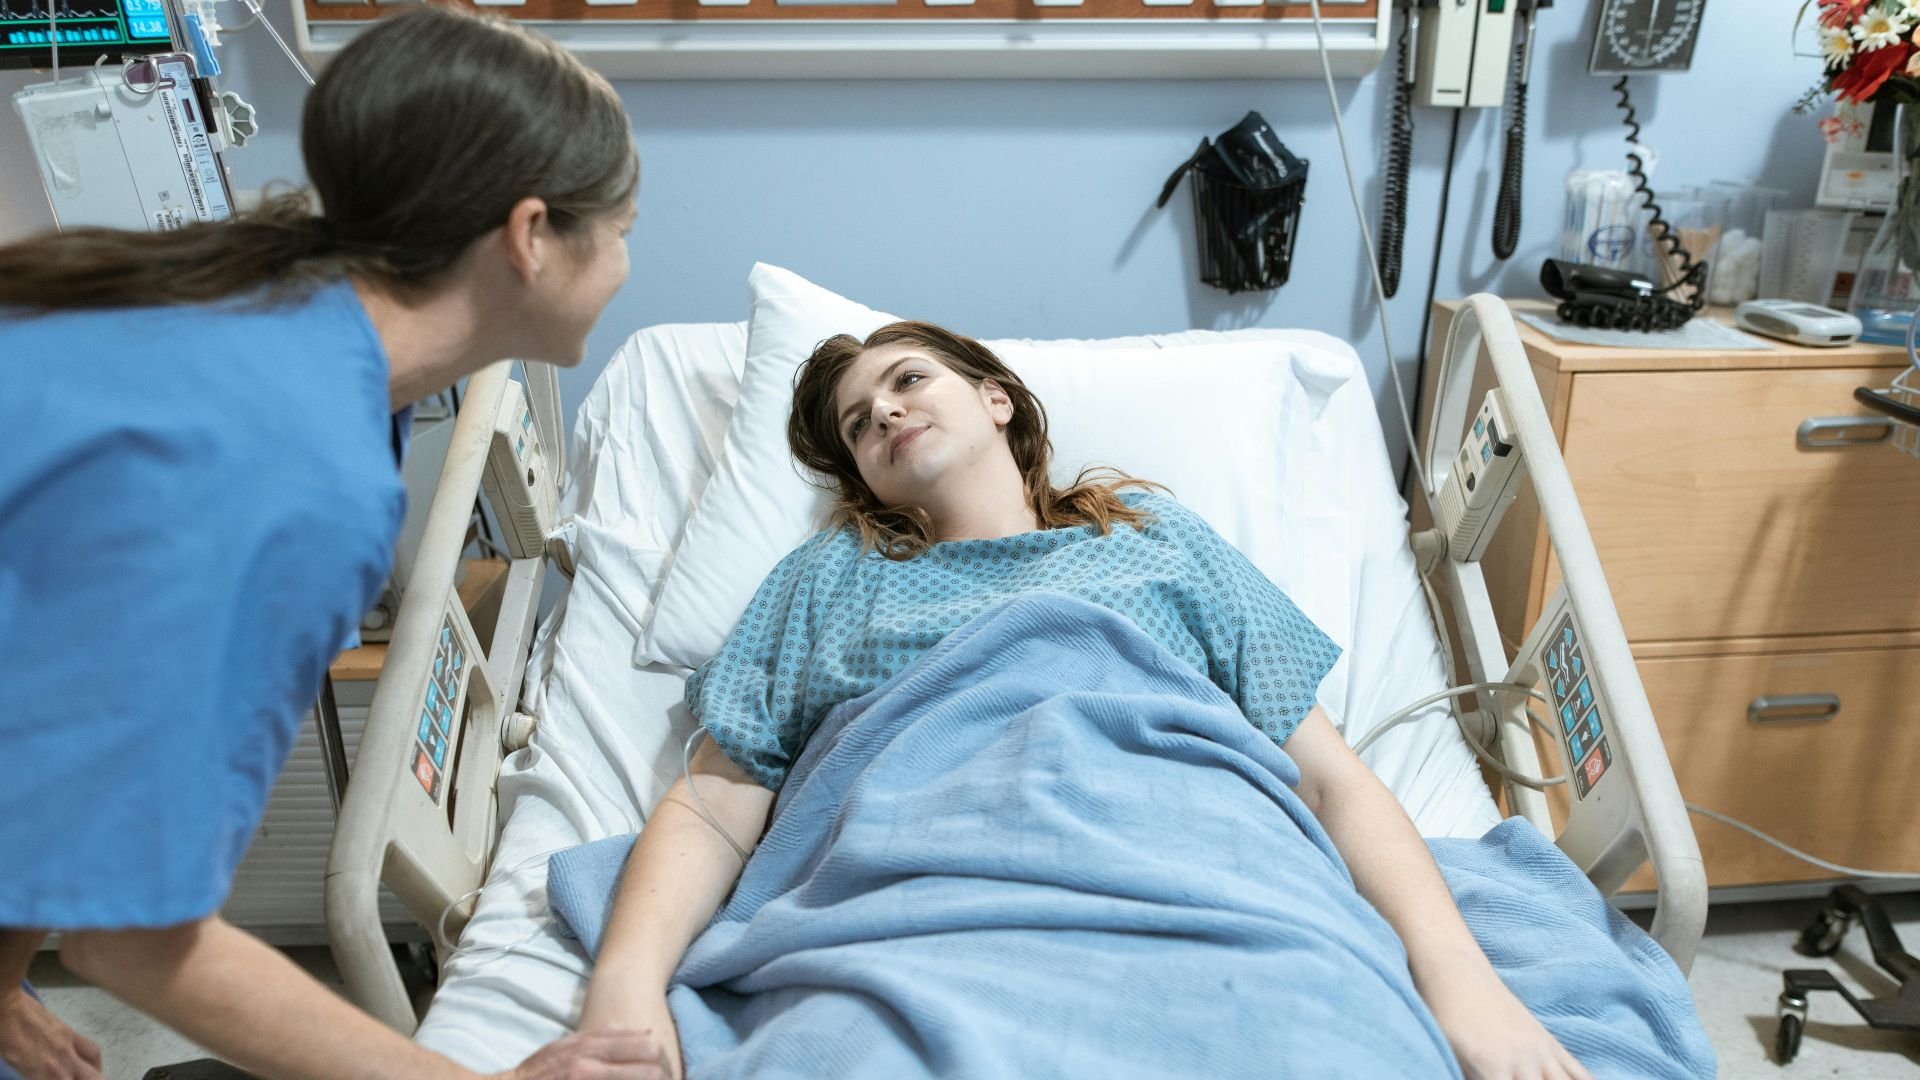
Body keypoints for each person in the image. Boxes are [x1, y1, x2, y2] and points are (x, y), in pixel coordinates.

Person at [579, 321, 1596, 1080]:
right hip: (915, 906)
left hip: (1212, 875)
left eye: (907, 380)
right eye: (858, 423)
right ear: (866, 482)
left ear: (996, 400)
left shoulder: (1151, 538)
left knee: (1322, 1038)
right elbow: (714, 805)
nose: (883, 412)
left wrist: (1464, 982)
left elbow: (1328, 780)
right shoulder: (830, 575)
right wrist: (623, 995)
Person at [0, 8, 671, 1079]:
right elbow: (135, 941)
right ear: (531, 235)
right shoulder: (297, 468)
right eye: (624, 228)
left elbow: (49, 702)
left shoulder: (261, 308)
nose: (630, 262)